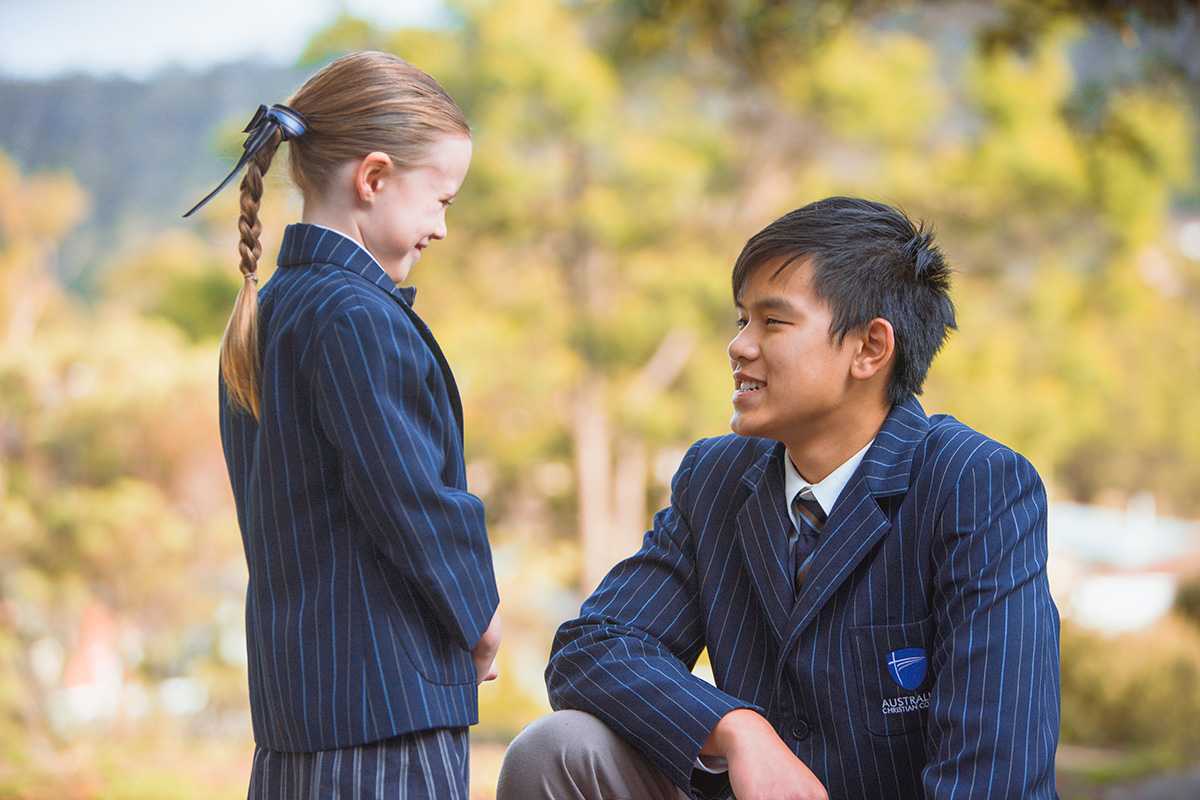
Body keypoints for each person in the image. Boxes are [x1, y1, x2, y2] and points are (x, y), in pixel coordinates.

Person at [498, 197, 1060, 800]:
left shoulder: (974, 485)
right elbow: (594, 647)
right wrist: (738, 730)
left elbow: (992, 776)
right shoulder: (715, 476)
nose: (740, 346)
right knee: (556, 751)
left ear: (870, 348)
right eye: (742, 319)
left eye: (773, 321)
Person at [186, 51, 501, 799]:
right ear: (374, 177)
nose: (442, 229)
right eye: (441, 200)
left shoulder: (271, 316)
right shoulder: (356, 318)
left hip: (302, 714)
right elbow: (412, 500)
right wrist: (479, 616)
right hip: (385, 717)